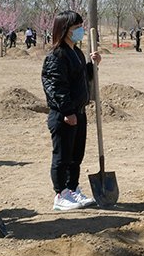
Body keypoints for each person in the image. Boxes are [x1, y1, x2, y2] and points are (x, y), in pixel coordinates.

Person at [41, 11, 100, 211]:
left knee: (76, 156)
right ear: (65, 30)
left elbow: (80, 78)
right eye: (76, 28)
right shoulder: (57, 56)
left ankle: (73, 188)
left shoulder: (76, 52)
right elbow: (56, 86)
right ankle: (61, 194)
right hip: (64, 115)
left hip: (79, 111)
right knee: (62, 156)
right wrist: (67, 111)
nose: (80, 31)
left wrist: (93, 66)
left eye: (80, 27)